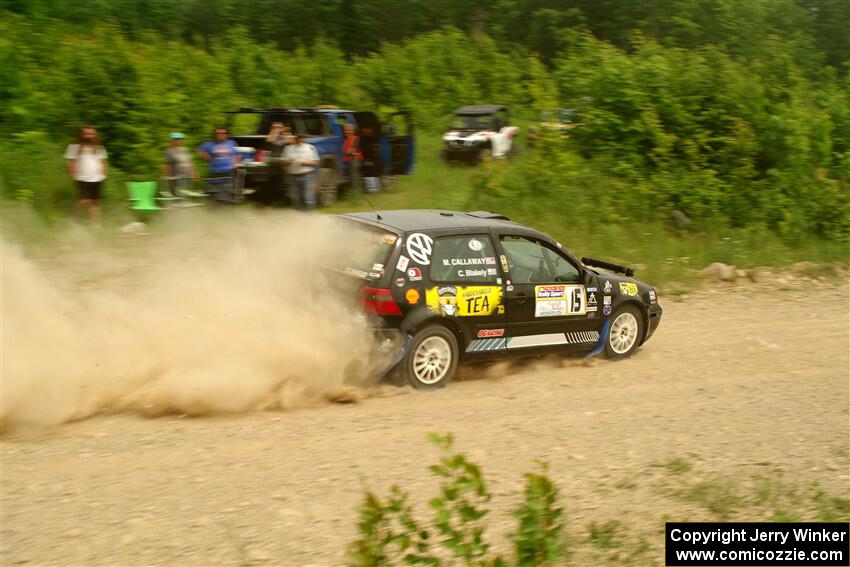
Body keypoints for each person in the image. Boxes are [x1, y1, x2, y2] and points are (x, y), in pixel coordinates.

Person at [64, 125, 108, 227]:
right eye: (87, 133)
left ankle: (95, 224)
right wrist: (73, 174)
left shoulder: (99, 148)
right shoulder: (74, 147)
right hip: (82, 177)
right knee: (84, 200)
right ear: (81, 135)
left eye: (92, 133)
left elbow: (103, 162)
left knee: (95, 202)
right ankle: (74, 220)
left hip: (97, 178)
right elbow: (70, 162)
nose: (89, 135)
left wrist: (104, 173)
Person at [197, 127, 240, 201]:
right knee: (212, 191)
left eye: (223, 133)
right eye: (218, 133)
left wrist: (235, 165)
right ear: (215, 134)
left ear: (226, 134)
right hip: (215, 172)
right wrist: (207, 157)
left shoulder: (231, 143)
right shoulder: (210, 144)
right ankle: (211, 206)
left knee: (226, 191)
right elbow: (199, 150)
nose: (220, 135)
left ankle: (224, 207)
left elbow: (236, 155)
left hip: (228, 172)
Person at [282, 132, 319, 210]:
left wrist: (304, 163)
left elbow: (316, 162)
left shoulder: (310, 148)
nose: (300, 139)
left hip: (307, 175)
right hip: (293, 176)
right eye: (298, 137)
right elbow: (282, 162)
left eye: (302, 137)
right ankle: (298, 217)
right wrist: (289, 162)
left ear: (305, 139)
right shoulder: (288, 148)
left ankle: (310, 217)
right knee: (295, 198)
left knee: (308, 198)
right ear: (295, 138)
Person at [163, 132, 198, 198]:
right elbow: (168, 165)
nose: (178, 140)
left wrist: (194, 173)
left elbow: (191, 162)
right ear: (172, 140)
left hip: (187, 176)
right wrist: (167, 177)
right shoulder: (169, 151)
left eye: (180, 139)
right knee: (177, 194)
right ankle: (177, 206)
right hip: (176, 177)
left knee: (186, 193)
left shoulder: (186, 150)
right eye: (176, 139)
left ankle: (184, 205)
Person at [263, 121, 290, 204]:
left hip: (282, 160)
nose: (278, 129)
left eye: (280, 127)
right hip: (273, 159)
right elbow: (270, 140)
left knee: (282, 180)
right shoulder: (271, 135)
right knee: (271, 181)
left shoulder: (285, 135)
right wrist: (275, 131)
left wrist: (285, 132)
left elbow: (289, 141)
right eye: (275, 127)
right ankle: (269, 200)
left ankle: (282, 198)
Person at [342, 123, 363, 191]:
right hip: (349, 159)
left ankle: (356, 190)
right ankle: (352, 190)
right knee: (350, 175)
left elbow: (352, 150)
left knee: (354, 175)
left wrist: (345, 151)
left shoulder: (356, 138)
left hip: (355, 159)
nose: (347, 132)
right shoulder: (346, 139)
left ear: (353, 131)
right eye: (345, 130)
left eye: (349, 130)